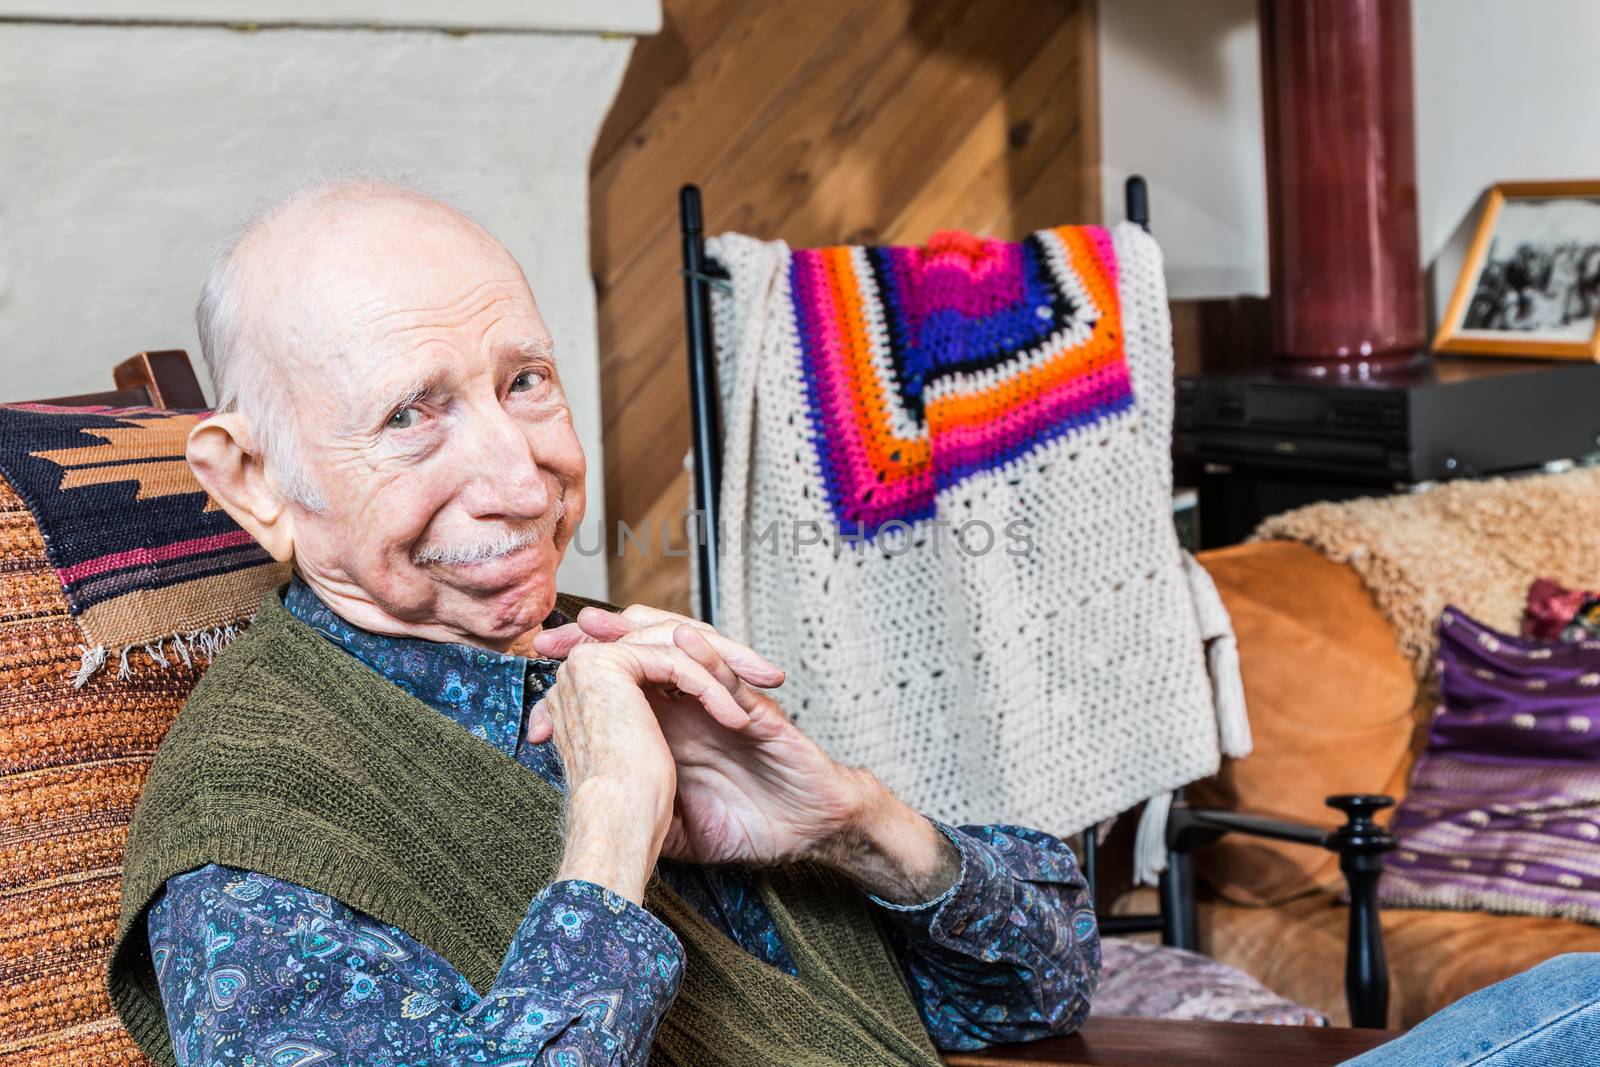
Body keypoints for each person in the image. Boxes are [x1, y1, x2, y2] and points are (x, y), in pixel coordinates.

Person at [105, 177, 1100, 1067]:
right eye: (411, 413)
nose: (522, 478)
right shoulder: (251, 839)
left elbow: (1033, 989)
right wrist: (614, 829)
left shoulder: (602, 651)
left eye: (523, 381)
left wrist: (856, 822)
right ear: (255, 480)